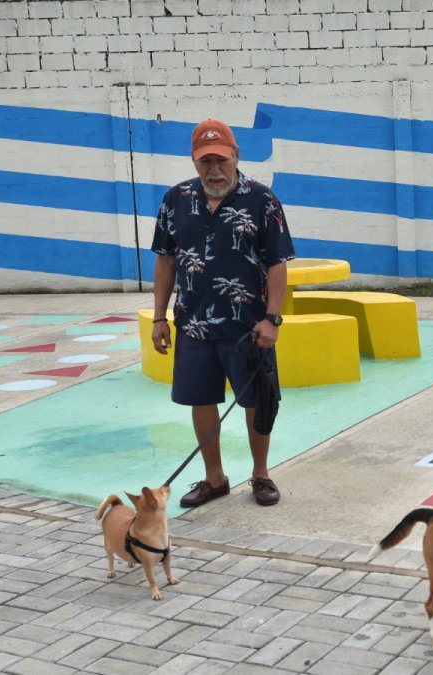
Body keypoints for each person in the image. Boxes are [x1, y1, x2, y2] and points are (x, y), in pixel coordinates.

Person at [150, 118, 296, 509]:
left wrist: (273, 318)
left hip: (248, 328)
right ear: (194, 162)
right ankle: (215, 479)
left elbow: (278, 263)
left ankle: (260, 474)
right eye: (205, 162)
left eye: (221, 160)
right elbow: (165, 261)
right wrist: (160, 317)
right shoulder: (175, 200)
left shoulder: (262, 201)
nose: (214, 170)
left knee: (257, 402)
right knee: (201, 400)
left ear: (236, 156)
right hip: (193, 324)